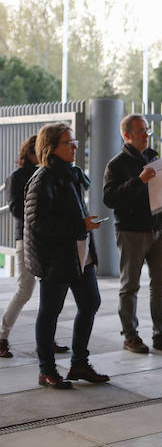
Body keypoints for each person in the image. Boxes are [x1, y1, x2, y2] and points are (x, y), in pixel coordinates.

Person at [24, 122, 109, 388]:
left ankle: (79, 364)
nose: (75, 147)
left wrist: (83, 225)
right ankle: (46, 370)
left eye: (75, 142)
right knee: (50, 312)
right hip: (55, 257)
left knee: (90, 303)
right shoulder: (44, 178)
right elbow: (36, 222)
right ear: (51, 147)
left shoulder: (70, 174)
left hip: (79, 252)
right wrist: (79, 226)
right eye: (68, 143)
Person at [103, 114, 162, 354]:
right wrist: (138, 181)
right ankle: (130, 335)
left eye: (147, 130)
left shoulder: (154, 157)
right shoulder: (116, 165)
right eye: (140, 131)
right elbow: (110, 198)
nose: (146, 134)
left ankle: (161, 333)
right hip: (131, 232)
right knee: (130, 286)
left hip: (158, 229)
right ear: (126, 135)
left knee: (161, 283)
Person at [1, 136, 69, 359]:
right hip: (28, 239)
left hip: (50, 239)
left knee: (50, 294)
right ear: (31, 153)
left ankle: (47, 338)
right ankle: (1, 336)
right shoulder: (18, 177)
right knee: (25, 289)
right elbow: (17, 210)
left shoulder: (50, 175)